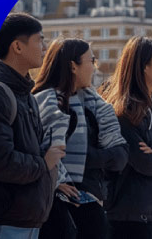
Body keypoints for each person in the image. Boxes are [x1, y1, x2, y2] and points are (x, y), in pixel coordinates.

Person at [33, 38, 128, 239]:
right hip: (59, 205)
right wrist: (57, 180)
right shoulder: (46, 103)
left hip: (91, 197)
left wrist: (89, 157)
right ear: (73, 67)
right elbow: (37, 150)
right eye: (91, 61)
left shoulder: (97, 106)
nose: (95, 67)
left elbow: (120, 156)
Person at [101, 36, 152, 238]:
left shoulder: (151, 107)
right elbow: (147, 162)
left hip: (150, 212)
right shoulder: (127, 110)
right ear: (144, 66)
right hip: (129, 217)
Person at [0, 13, 59, 239]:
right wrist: (44, 164)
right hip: (6, 221)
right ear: (17, 47)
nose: (44, 48)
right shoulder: (0, 93)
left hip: (26, 220)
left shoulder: (26, 94)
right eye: (39, 40)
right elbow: (1, 161)